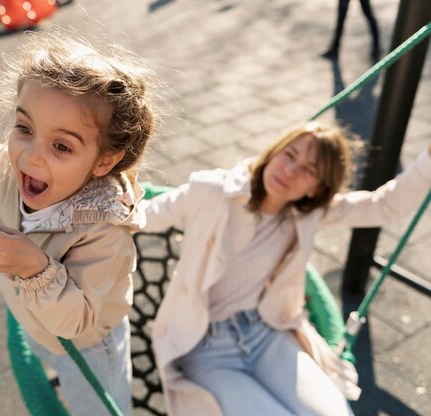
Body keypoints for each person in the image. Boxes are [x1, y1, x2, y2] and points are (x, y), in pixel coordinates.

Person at [142, 122, 431, 415]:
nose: (290, 170)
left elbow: (385, 206)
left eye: (309, 169)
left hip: (263, 332)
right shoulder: (213, 191)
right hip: (203, 347)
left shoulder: (304, 214)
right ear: (274, 151)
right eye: (289, 154)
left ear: (316, 188)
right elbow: (144, 215)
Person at [0, 32, 157, 416]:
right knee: (52, 360)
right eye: (24, 129)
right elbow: (2, 166)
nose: (30, 157)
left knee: (98, 407)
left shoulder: (104, 233)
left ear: (103, 163)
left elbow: (79, 321)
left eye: (61, 146)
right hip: (35, 320)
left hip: (88, 346)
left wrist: (36, 269)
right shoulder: (18, 171)